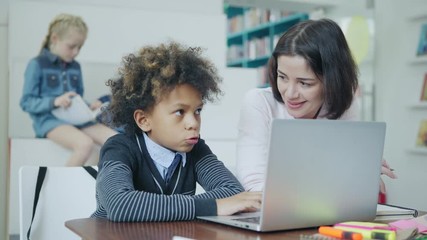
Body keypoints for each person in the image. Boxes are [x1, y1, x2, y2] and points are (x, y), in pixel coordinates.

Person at [91, 41, 262, 222]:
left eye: (197, 111)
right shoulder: (119, 148)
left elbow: (233, 192)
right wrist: (214, 206)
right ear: (144, 120)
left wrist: (163, 207)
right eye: (180, 112)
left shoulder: (194, 148)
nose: (193, 123)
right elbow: (122, 205)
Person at [236, 18, 396, 193]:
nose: (290, 93)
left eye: (304, 83)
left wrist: (361, 173)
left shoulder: (343, 103)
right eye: (282, 77)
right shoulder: (259, 102)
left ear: (331, 81)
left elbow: (345, 178)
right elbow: (254, 185)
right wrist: (343, 174)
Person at [20, 13, 117, 166]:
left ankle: (93, 183)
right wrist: (54, 102)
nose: (76, 52)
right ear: (54, 39)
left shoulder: (75, 67)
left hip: (76, 120)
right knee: (84, 144)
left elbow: (76, 98)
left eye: (80, 47)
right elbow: (26, 102)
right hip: (49, 121)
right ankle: (64, 188)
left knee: (115, 140)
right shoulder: (37, 64)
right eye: (72, 46)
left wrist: (89, 106)